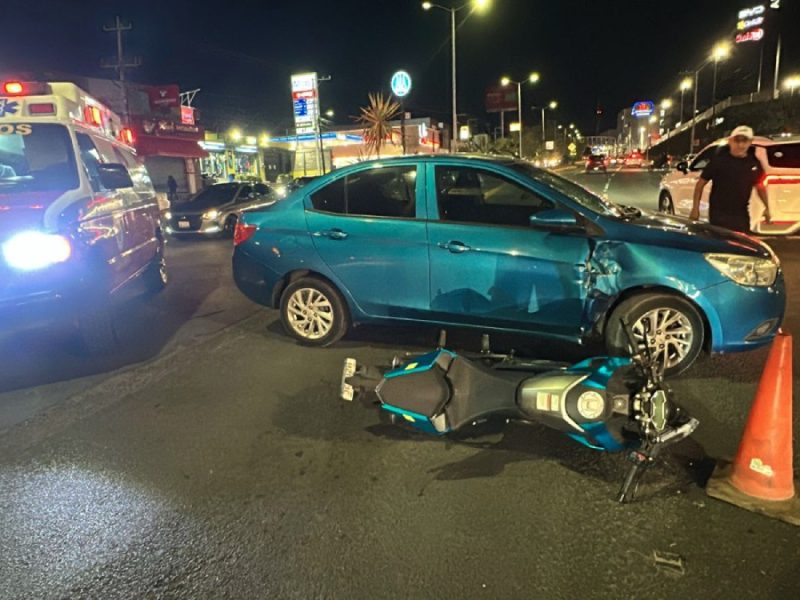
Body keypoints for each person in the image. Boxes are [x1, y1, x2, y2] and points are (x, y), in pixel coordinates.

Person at [689, 125, 770, 233]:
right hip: (719, 214)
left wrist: (767, 207)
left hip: (741, 214)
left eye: (744, 141)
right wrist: (695, 208)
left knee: (741, 244)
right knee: (721, 244)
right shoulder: (719, 161)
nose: (740, 145)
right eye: (737, 140)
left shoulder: (753, 163)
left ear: (750, 142)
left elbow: (759, 187)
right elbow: (700, 184)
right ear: (731, 141)